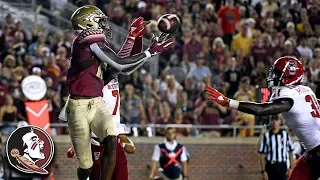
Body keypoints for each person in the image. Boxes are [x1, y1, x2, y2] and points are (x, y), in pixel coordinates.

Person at [66, 5, 173, 180]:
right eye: (99, 21)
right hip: (92, 135)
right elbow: (120, 63)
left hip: (110, 135)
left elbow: (123, 65)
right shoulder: (88, 49)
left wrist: (135, 40)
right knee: (87, 169)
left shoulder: (102, 72)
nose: (104, 25)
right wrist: (146, 49)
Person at [206, 56, 320, 180]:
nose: (273, 77)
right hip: (312, 151)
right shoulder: (306, 90)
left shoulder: (288, 94)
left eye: (277, 74)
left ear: (290, 76)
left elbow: (260, 110)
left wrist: (228, 102)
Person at [258, 114, 294, 180]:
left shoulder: (285, 135)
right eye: (272, 120)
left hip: (282, 166)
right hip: (270, 166)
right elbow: (261, 153)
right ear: (270, 122)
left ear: (280, 121)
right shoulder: (266, 136)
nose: (274, 122)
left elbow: (291, 151)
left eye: (276, 120)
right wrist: (263, 171)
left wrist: (291, 168)